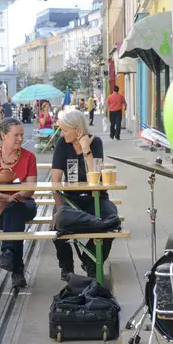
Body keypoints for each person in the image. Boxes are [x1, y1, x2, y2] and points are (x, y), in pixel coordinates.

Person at [50, 110, 117, 279]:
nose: (62, 134)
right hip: (70, 198)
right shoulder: (62, 144)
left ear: (78, 130)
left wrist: (86, 149)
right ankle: (66, 266)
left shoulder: (96, 143)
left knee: (112, 222)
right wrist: (58, 209)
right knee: (58, 225)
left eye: (65, 130)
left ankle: (91, 261)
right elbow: (55, 181)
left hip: (96, 198)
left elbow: (95, 177)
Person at [0, 118, 38, 288]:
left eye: (22, 135)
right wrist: (8, 198)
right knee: (14, 216)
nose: (20, 138)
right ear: (3, 136)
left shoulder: (29, 157)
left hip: (22, 205)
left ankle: (7, 252)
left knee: (15, 210)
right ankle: (16, 268)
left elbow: (30, 189)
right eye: (16, 135)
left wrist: (8, 201)